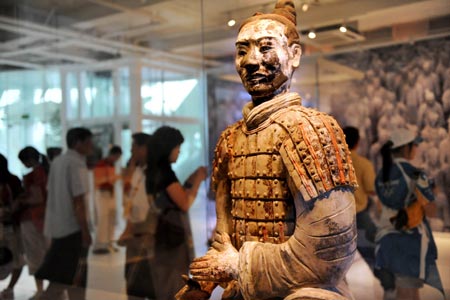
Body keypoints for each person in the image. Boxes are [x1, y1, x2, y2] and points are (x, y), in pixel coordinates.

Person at [185, 1, 358, 299]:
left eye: (265, 48)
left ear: (294, 55)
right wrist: (203, 283)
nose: (251, 61)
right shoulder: (231, 139)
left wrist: (238, 264)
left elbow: (330, 257)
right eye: (242, 51)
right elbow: (224, 239)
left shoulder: (313, 131)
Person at [374, 128, 444, 300]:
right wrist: (432, 192)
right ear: (406, 148)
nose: (416, 149)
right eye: (414, 145)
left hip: (385, 240)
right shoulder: (415, 173)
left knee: (391, 292)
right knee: (409, 292)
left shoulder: (381, 174)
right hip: (409, 241)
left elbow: (379, 208)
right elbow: (432, 211)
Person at [147, 126, 207, 300]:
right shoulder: (165, 173)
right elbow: (184, 203)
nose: (179, 151)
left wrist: (190, 180)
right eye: (177, 147)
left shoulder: (155, 170)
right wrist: (197, 181)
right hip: (170, 239)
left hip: (161, 236)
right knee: (173, 283)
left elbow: (175, 195)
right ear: (168, 148)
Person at [35, 127, 94, 300]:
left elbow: (52, 194)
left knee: (70, 275)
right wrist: (85, 231)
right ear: (78, 143)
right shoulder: (76, 163)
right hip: (72, 228)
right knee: (69, 276)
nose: (92, 145)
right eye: (89, 141)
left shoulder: (58, 162)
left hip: (59, 227)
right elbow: (78, 200)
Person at [118, 132, 155, 300]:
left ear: (144, 149)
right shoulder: (138, 171)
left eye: (134, 147)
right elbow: (129, 200)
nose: (131, 151)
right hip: (136, 235)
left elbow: (141, 207)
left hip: (145, 236)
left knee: (144, 283)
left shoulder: (153, 174)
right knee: (134, 285)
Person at [17, 147, 50, 299]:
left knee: (35, 256)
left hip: (32, 218)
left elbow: (37, 198)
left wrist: (21, 200)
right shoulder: (46, 172)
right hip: (46, 218)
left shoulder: (34, 175)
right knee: (46, 253)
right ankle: (51, 287)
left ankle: (40, 289)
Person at [343, 126, 378, 267]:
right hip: (358, 216)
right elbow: (371, 189)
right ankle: (389, 286)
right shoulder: (364, 164)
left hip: (336, 217)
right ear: (357, 142)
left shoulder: (331, 161)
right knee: (373, 253)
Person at [0, 154, 25, 300]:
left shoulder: (12, 181)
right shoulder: (13, 180)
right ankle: (9, 288)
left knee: (16, 257)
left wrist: (10, 211)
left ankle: (10, 287)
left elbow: (21, 200)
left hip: (11, 225)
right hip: (8, 224)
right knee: (15, 257)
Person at [92, 145, 122, 254]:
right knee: (103, 220)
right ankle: (100, 245)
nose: (117, 159)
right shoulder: (101, 164)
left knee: (111, 219)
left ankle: (109, 243)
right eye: (116, 156)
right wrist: (112, 179)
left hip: (110, 194)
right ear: (112, 154)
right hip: (102, 194)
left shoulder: (111, 164)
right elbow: (98, 181)